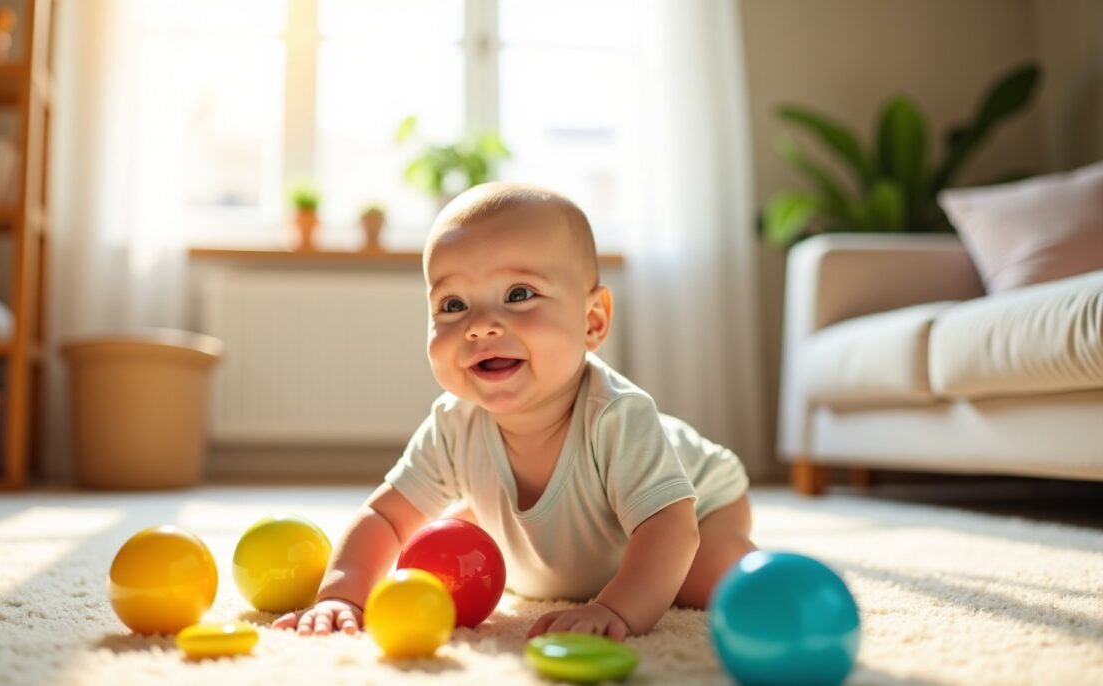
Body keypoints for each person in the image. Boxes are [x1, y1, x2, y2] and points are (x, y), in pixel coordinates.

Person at [272, 182, 753, 641]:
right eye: (453, 304)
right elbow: (386, 517)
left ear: (592, 321)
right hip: (564, 535)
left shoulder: (616, 416)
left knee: (705, 578)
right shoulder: (454, 423)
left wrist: (615, 609)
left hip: (697, 509)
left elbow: (670, 526)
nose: (481, 325)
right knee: (450, 544)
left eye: (519, 294)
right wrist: (342, 596)